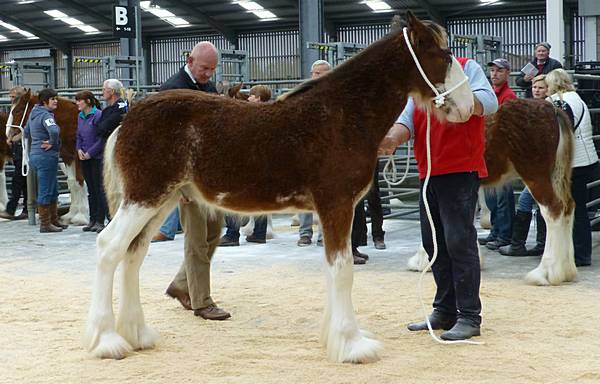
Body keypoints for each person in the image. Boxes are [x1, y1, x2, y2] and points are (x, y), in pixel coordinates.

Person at [379, 53, 498, 340]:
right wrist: (391, 139)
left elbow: (489, 103)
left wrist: (458, 102)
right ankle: (444, 310)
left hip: (460, 168)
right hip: (428, 172)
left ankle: (469, 315)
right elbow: (406, 119)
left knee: (459, 242)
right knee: (433, 244)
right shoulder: (417, 81)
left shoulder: (465, 67)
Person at [160, 41, 231, 320]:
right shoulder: (172, 90)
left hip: (207, 178)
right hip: (187, 178)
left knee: (215, 231)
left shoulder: (208, 88)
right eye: (204, 68)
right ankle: (202, 301)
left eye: (212, 70)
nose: (208, 74)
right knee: (196, 238)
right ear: (190, 61)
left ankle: (180, 285)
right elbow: (165, 142)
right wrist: (176, 183)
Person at [546, 68, 599, 267]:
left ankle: (576, 253)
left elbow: (558, 132)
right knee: (580, 208)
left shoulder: (557, 101)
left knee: (569, 209)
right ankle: (582, 252)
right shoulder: (578, 99)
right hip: (587, 159)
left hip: (571, 163)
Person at [499, 74, 549, 256]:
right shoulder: (534, 107)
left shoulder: (546, 109)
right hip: (534, 164)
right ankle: (535, 243)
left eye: (541, 87)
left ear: (548, 90)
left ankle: (519, 244)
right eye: (535, 87)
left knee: (529, 201)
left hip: (541, 165)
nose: (536, 90)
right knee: (534, 202)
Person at [219, 85, 272, 246]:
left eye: (252, 95)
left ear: (259, 98)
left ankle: (232, 234)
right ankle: (259, 233)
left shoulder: (248, 114)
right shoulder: (271, 113)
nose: (248, 98)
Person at [479, 58, 517, 251]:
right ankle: (496, 229)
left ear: (507, 73)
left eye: (499, 71)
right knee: (492, 197)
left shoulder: (508, 96)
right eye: (492, 70)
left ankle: (505, 234)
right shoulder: (490, 94)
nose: (494, 74)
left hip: (501, 153)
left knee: (503, 196)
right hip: (489, 152)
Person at [296, 59, 331, 247]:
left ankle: (322, 234)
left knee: (324, 195)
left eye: (322, 73)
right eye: (316, 73)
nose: (318, 76)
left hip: (326, 153)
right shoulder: (303, 94)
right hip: (305, 150)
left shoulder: (334, 95)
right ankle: (304, 233)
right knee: (303, 194)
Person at [24, 88, 65, 233]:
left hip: (36, 155)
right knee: (46, 189)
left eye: (56, 98)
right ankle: (45, 224)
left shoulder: (33, 114)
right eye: (52, 98)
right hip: (46, 156)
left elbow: (27, 132)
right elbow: (54, 131)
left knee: (52, 188)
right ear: (44, 101)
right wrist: (53, 142)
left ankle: (54, 219)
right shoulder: (46, 115)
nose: (56, 101)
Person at [75, 90, 106, 233]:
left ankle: (100, 220)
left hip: (96, 158)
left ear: (87, 101)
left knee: (99, 189)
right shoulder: (80, 116)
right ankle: (92, 219)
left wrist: (90, 153)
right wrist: (79, 149)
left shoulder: (98, 115)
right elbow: (79, 135)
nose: (77, 103)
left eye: (79, 100)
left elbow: (101, 138)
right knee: (90, 189)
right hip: (84, 157)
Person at [0, 86, 28, 220]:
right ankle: (26, 209)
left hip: (22, 146)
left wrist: (13, 137)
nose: (11, 99)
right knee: (23, 179)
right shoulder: (15, 109)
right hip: (17, 146)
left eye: (13, 96)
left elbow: (22, 128)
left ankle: (11, 209)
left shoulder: (21, 110)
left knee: (19, 179)